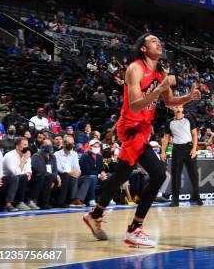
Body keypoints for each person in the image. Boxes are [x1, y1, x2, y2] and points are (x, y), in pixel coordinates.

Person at [83, 33, 201, 247]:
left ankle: (95, 214)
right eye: (153, 40)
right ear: (143, 48)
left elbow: (170, 102)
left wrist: (189, 98)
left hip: (143, 128)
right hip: (130, 127)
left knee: (121, 176)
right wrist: (160, 87)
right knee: (157, 174)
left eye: (159, 40)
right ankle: (134, 229)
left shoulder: (161, 72)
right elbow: (136, 105)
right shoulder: (134, 69)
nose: (159, 42)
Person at [161, 106, 202, 207]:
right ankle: (175, 199)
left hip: (189, 148)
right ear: (173, 109)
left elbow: (194, 134)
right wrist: (163, 151)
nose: (177, 108)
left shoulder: (189, 118)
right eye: (175, 107)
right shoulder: (169, 122)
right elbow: (166, 137)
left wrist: (194, 148)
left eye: (179, 106)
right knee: (176, 175)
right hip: (177, 149)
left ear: (182, 108)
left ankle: (196, 196)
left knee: (194, 174)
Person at [2, 137, 33, 211]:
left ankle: (31, 201)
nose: (27, 147)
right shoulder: (9, 156)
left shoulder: (26, 154)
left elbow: (28, 167)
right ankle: (16, 203)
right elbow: (16, 173)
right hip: (5, 178)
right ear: (17, 146)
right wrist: (24, 159)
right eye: (24, 145)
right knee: (19, 177)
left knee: (38, 177)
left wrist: (29, 172)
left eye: (27, 145)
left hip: (18, 177)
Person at [55, 135, 85, 208]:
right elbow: (59, 169)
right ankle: (73, 199)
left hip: (72, 175)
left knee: (87, 178)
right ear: (64, 143)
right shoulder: (57, 154)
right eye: (68, 143)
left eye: (72, 143)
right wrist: (70, 172)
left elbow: (77, 167)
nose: (70, 145)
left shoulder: (74, 154)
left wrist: (78, 172)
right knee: (69, 176)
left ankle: (78, 199)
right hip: (62, 176)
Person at [30, 138, 60, 209]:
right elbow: (40, 170)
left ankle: (60, 201)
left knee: (64, 176)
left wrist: (54, 177)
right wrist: (52, 177)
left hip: (50, 177)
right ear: (42, 146)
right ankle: (43, 203)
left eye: (50, 145)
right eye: (47, 145)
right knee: (47, 176)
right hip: (38, 177)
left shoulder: (53, 156)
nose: (49, 147)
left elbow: (55, 170)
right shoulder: (36, 156)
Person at [79, 139, 107, 207]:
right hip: (86, 177)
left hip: (97, 176)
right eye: (95, 146)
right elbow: (86, 171)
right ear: (90, 147)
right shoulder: (85, 156)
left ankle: (107, 199)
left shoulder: (99, 157)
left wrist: (103, 173)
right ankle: (91, 199)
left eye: (98, 146)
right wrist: (99, 175)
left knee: (108, 176)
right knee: (93, 177)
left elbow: (101, 168)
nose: (97, 148)